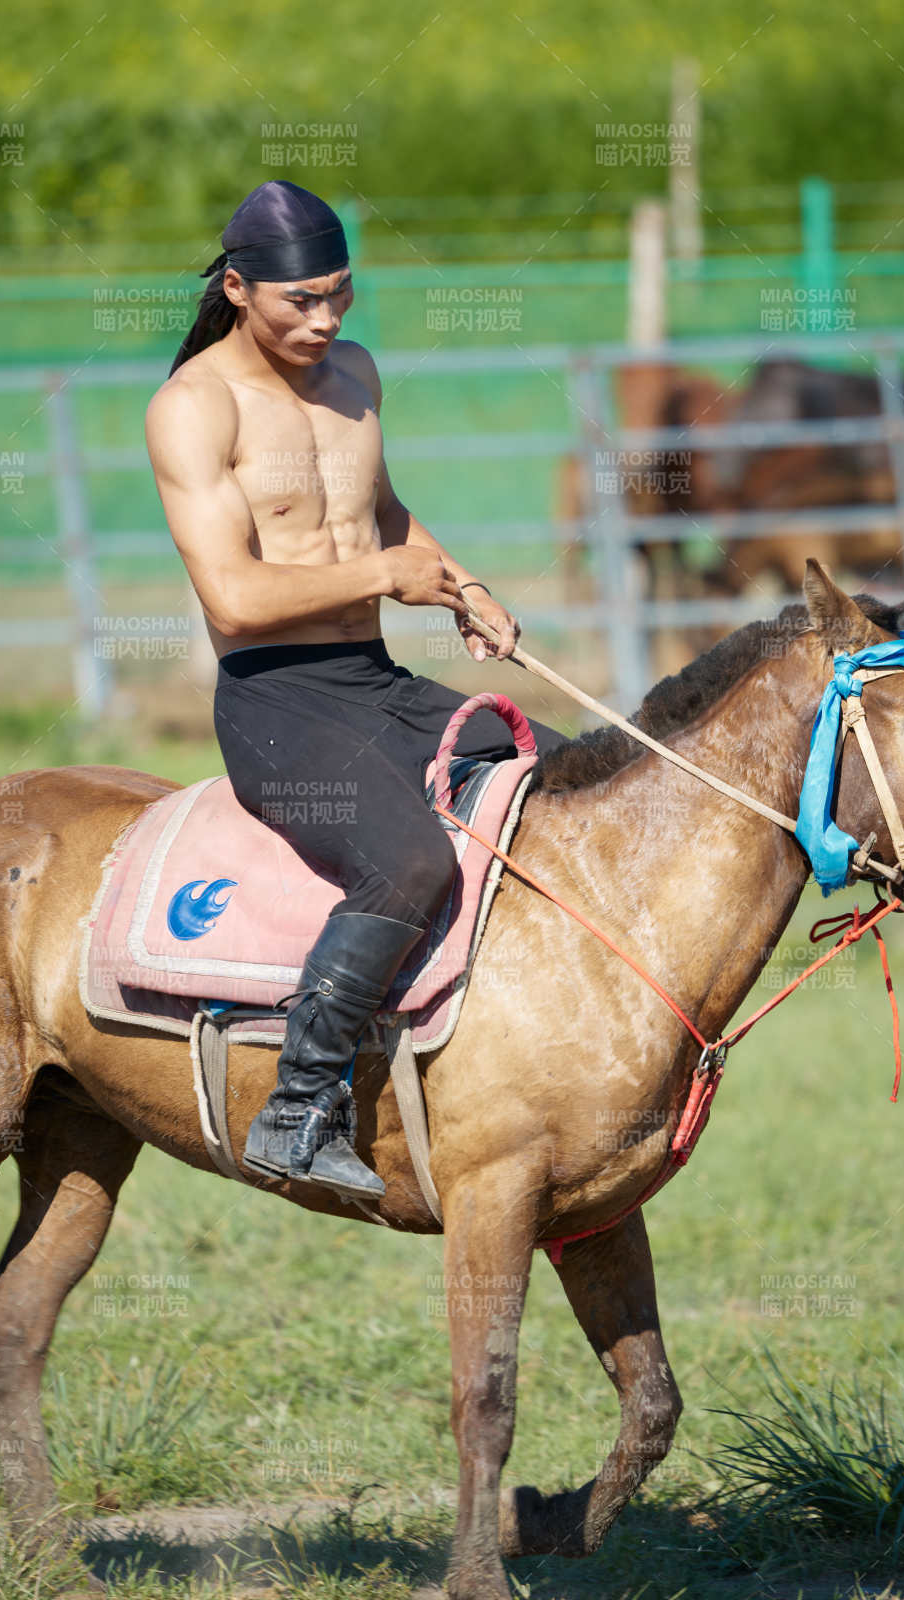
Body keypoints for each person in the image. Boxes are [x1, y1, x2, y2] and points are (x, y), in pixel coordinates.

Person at [146, 180, 565, 1202]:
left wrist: (463, 586)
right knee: (407, 862)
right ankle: (296, 1109)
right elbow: (234, 596)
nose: (326, 318)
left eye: (340, 293)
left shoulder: (358, 374)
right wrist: (384, 576)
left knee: (572, 776)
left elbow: (381, 511)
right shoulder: (192, 408)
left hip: (373, 681)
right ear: (238, 289)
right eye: (302, 300)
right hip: (275, 705)